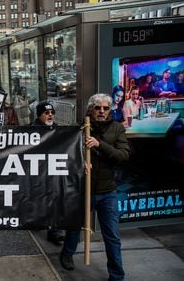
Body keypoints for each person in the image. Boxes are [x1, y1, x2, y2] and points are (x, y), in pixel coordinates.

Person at [60, 94, 130, 281]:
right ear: (91, 109)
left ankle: (117, 276)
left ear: (109, 110)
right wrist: (79, 163)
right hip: (83, 189)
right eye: (97, 108)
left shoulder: (117, 129)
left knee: (112, 236)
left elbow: (123, 155)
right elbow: (66, 155)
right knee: (74, 226)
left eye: (105, 108)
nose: (101, 111)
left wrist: (100, 145)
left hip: (107, 191)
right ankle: (67, 253)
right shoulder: (80, 129)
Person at [31, 102, 66, 245]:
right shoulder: (30, 130)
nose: (50, 115)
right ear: (39, 115)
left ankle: (54, 230)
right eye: (46, 113)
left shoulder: (57, 129)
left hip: (52, 170)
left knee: (53, 198)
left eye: (52, 112)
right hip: (36, 170)